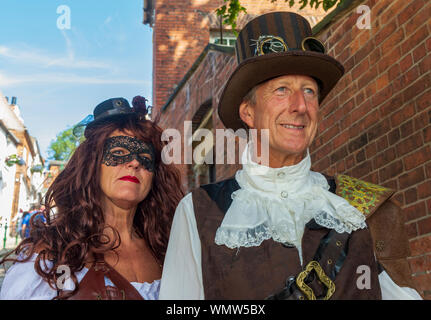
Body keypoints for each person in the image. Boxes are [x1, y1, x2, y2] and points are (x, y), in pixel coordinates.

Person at [159, 12, 423, 300]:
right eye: (282, 90)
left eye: (309, 91)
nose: (300, 106)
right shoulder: (197, 212)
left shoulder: (359, 206)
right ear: (248, 112)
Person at [0, 96, 183, 300]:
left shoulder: (171, 249)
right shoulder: (53, 254)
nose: (134, 163)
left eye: (145, 157)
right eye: (119, 152)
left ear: (154, 176)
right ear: (92, 166)